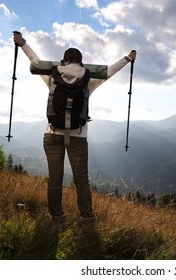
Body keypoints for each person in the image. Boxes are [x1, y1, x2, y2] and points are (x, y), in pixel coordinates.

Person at [13, 32, 136, 225]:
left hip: (52, 135)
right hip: (78, 137)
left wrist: (22, 44)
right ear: (81, 63)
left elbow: (34, 60)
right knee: (81, 179)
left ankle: (57, 218)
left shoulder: (53, 76)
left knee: (55, 178)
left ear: (63, 60)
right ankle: (87, 218)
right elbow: (110, 72)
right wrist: (128, 58)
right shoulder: (88, 80)